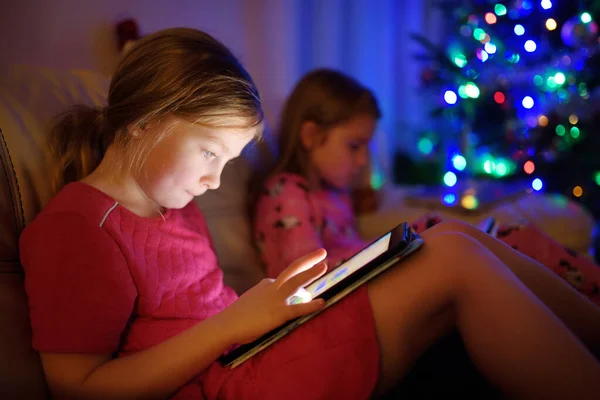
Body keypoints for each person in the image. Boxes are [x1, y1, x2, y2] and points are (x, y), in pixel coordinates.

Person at [20, 28, 600, 400]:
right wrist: (233, 324)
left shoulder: (173, 203)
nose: (216, 179)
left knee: (452, 239)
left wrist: (267, 312)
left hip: (254, 348)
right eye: (209, 152)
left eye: (229, 160)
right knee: (451, 256)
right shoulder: (79, 226)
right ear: (143, 120)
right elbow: (78, 387)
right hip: (229, 379)